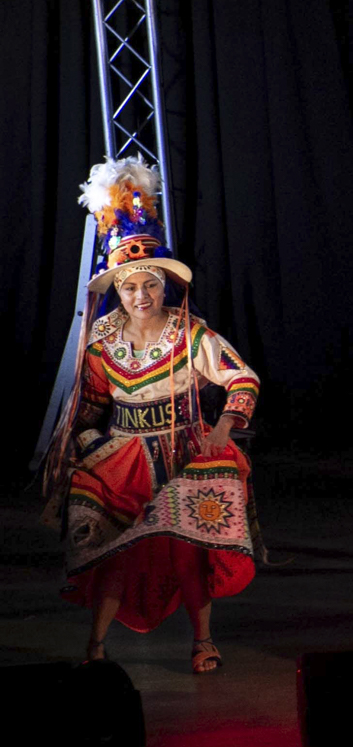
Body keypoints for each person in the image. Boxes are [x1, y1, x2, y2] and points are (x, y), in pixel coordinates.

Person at [43, 156, 259, 672]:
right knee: (116, 553)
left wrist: (224, 425)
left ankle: (202, 640)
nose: (141, 296)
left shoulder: (190, 333)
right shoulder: (102, 340)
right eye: (129, 287)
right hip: (123, 458)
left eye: (150, 285)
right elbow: (92, 403)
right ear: (117, 290)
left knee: (188, 551)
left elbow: (242, 378)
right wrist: (81, 442)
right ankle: (96, 646)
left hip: (184, 451)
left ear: (165, 285)